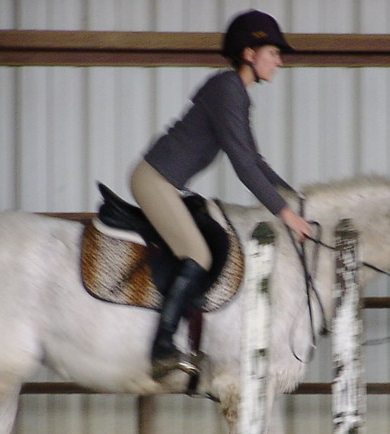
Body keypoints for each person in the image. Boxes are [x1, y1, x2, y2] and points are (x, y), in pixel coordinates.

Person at [130, 9, 312, 380]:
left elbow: (254, 160)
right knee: (197, 253)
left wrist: (294, 200)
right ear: (249, 53)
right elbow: (243, 167)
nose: (279, 61)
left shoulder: (234, 93)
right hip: (154, 182)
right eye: (273, 53)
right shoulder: (228, 90)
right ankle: (162, 348)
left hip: (166, 184)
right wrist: (286, 215)